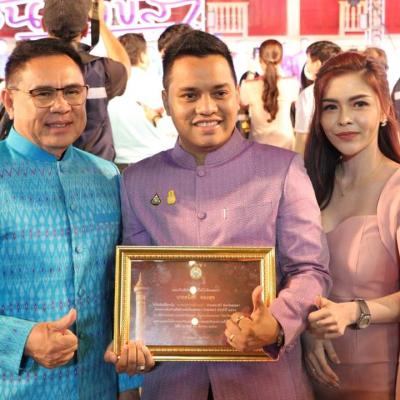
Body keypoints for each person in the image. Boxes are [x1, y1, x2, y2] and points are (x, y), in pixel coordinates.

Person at [121, 30, 331, 400]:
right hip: (172, 384)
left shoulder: (282, 170)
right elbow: (138, 278)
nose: (207, 108)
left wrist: (277, 322)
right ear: (166, 101)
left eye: (219, 93)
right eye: (189, 95)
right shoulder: (137, 181)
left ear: (236, 94)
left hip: (265, 382)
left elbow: (310, 269)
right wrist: (133, 337)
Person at [0, 38, 152, 400]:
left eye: (72, 91)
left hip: (99, 387)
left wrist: (128, 383)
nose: (62, 106)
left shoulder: (107, 177)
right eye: (43, 94)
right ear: (9, 101)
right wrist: (21, 339)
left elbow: (122, 285)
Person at [303, 51, 400, 400]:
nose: (344, 119)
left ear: (384, 110)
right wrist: (304, 328)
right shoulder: (308, 183)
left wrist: (353, 312)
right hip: (307, 374)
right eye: (331, 107)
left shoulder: (396, 189)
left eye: (359, 104)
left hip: (376, 377)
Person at [42, 0, 130, 161]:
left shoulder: (27, 70)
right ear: (85, 30)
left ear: (43, 26)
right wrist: (99, 21)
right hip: (97, 169)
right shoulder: (102, 70)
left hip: (46, 170)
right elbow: (124, 68)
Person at [108, 33, 176, 170]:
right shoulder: (157, 84)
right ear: (142, 55)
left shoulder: (108, 86)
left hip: (118, 164)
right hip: (156, 162)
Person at [240, 39, 299, 149]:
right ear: (281, 59)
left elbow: (241, 104)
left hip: (258, 144)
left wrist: (251, 72)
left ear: (259, 60)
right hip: (286, 144)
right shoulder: (291, 83)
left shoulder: (248, 85)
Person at [294, 41, 341, 155]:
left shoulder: (309, 94)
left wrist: (297, 162)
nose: (307, 66)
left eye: (308, 61)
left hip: (319, 156)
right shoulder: (348, 88)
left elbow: (302, 137)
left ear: (317, 64)